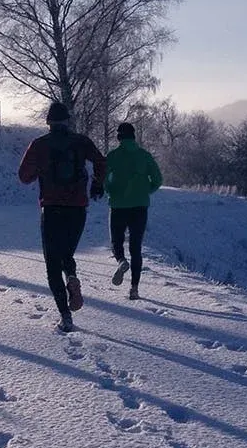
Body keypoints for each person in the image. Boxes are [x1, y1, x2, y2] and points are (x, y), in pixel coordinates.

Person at [18, 101, 106, 332]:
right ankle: (73, 277)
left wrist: (41, 169)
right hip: (78, 208)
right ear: (67, 120)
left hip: (52, 208)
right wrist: (97, 183)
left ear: (48, 122)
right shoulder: (81, 142)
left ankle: (66, 316)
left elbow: (23, 177)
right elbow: (101, 161)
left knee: (52, 263)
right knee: (67, 253)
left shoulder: (39, 145)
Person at [105, 121, 162, 300]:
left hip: (118, 206)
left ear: (119, 137)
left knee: (116, 242)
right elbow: (158, 179)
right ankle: (134, 289)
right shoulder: (144, 156)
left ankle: (122, 262)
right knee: (136, 247)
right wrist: (146, 191)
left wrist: (110, 192)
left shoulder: (113, 156)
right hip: (140, 206)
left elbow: (104, 178)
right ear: (134, 136)